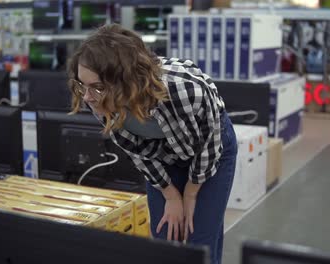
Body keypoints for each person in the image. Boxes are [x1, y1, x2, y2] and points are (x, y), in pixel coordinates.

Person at [67, 24, 237, 264]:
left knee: (199, 239)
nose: (86, 97)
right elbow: (138, 152)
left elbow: (209, 143)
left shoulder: (185, 89)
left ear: (126, 81)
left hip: (209, 150)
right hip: (161, 156)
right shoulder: (95, 97)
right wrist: (170, 196)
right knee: (164, 239)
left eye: (97, 87)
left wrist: (189, 195)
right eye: (82, 85)